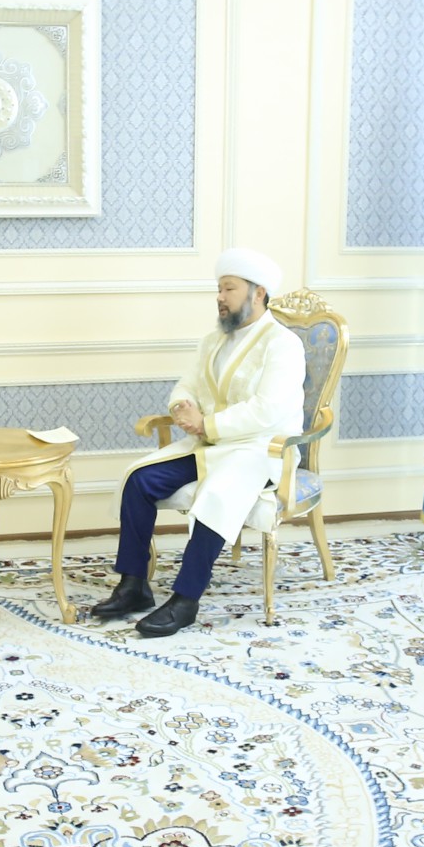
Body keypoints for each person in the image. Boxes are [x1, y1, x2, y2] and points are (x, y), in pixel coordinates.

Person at [90, 250, 306, 637]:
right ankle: (134, 584)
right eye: (219, 289)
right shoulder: (213, 340)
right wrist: (182, 407)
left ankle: (185, 600)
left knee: (218, 493)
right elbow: (186, 385)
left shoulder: (283, 344)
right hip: (209, 445)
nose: (220, 297)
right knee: (139, 480)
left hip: (258, 449)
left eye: (229, 289)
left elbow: (267, 410)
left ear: (258, 293)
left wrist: (206, 423)